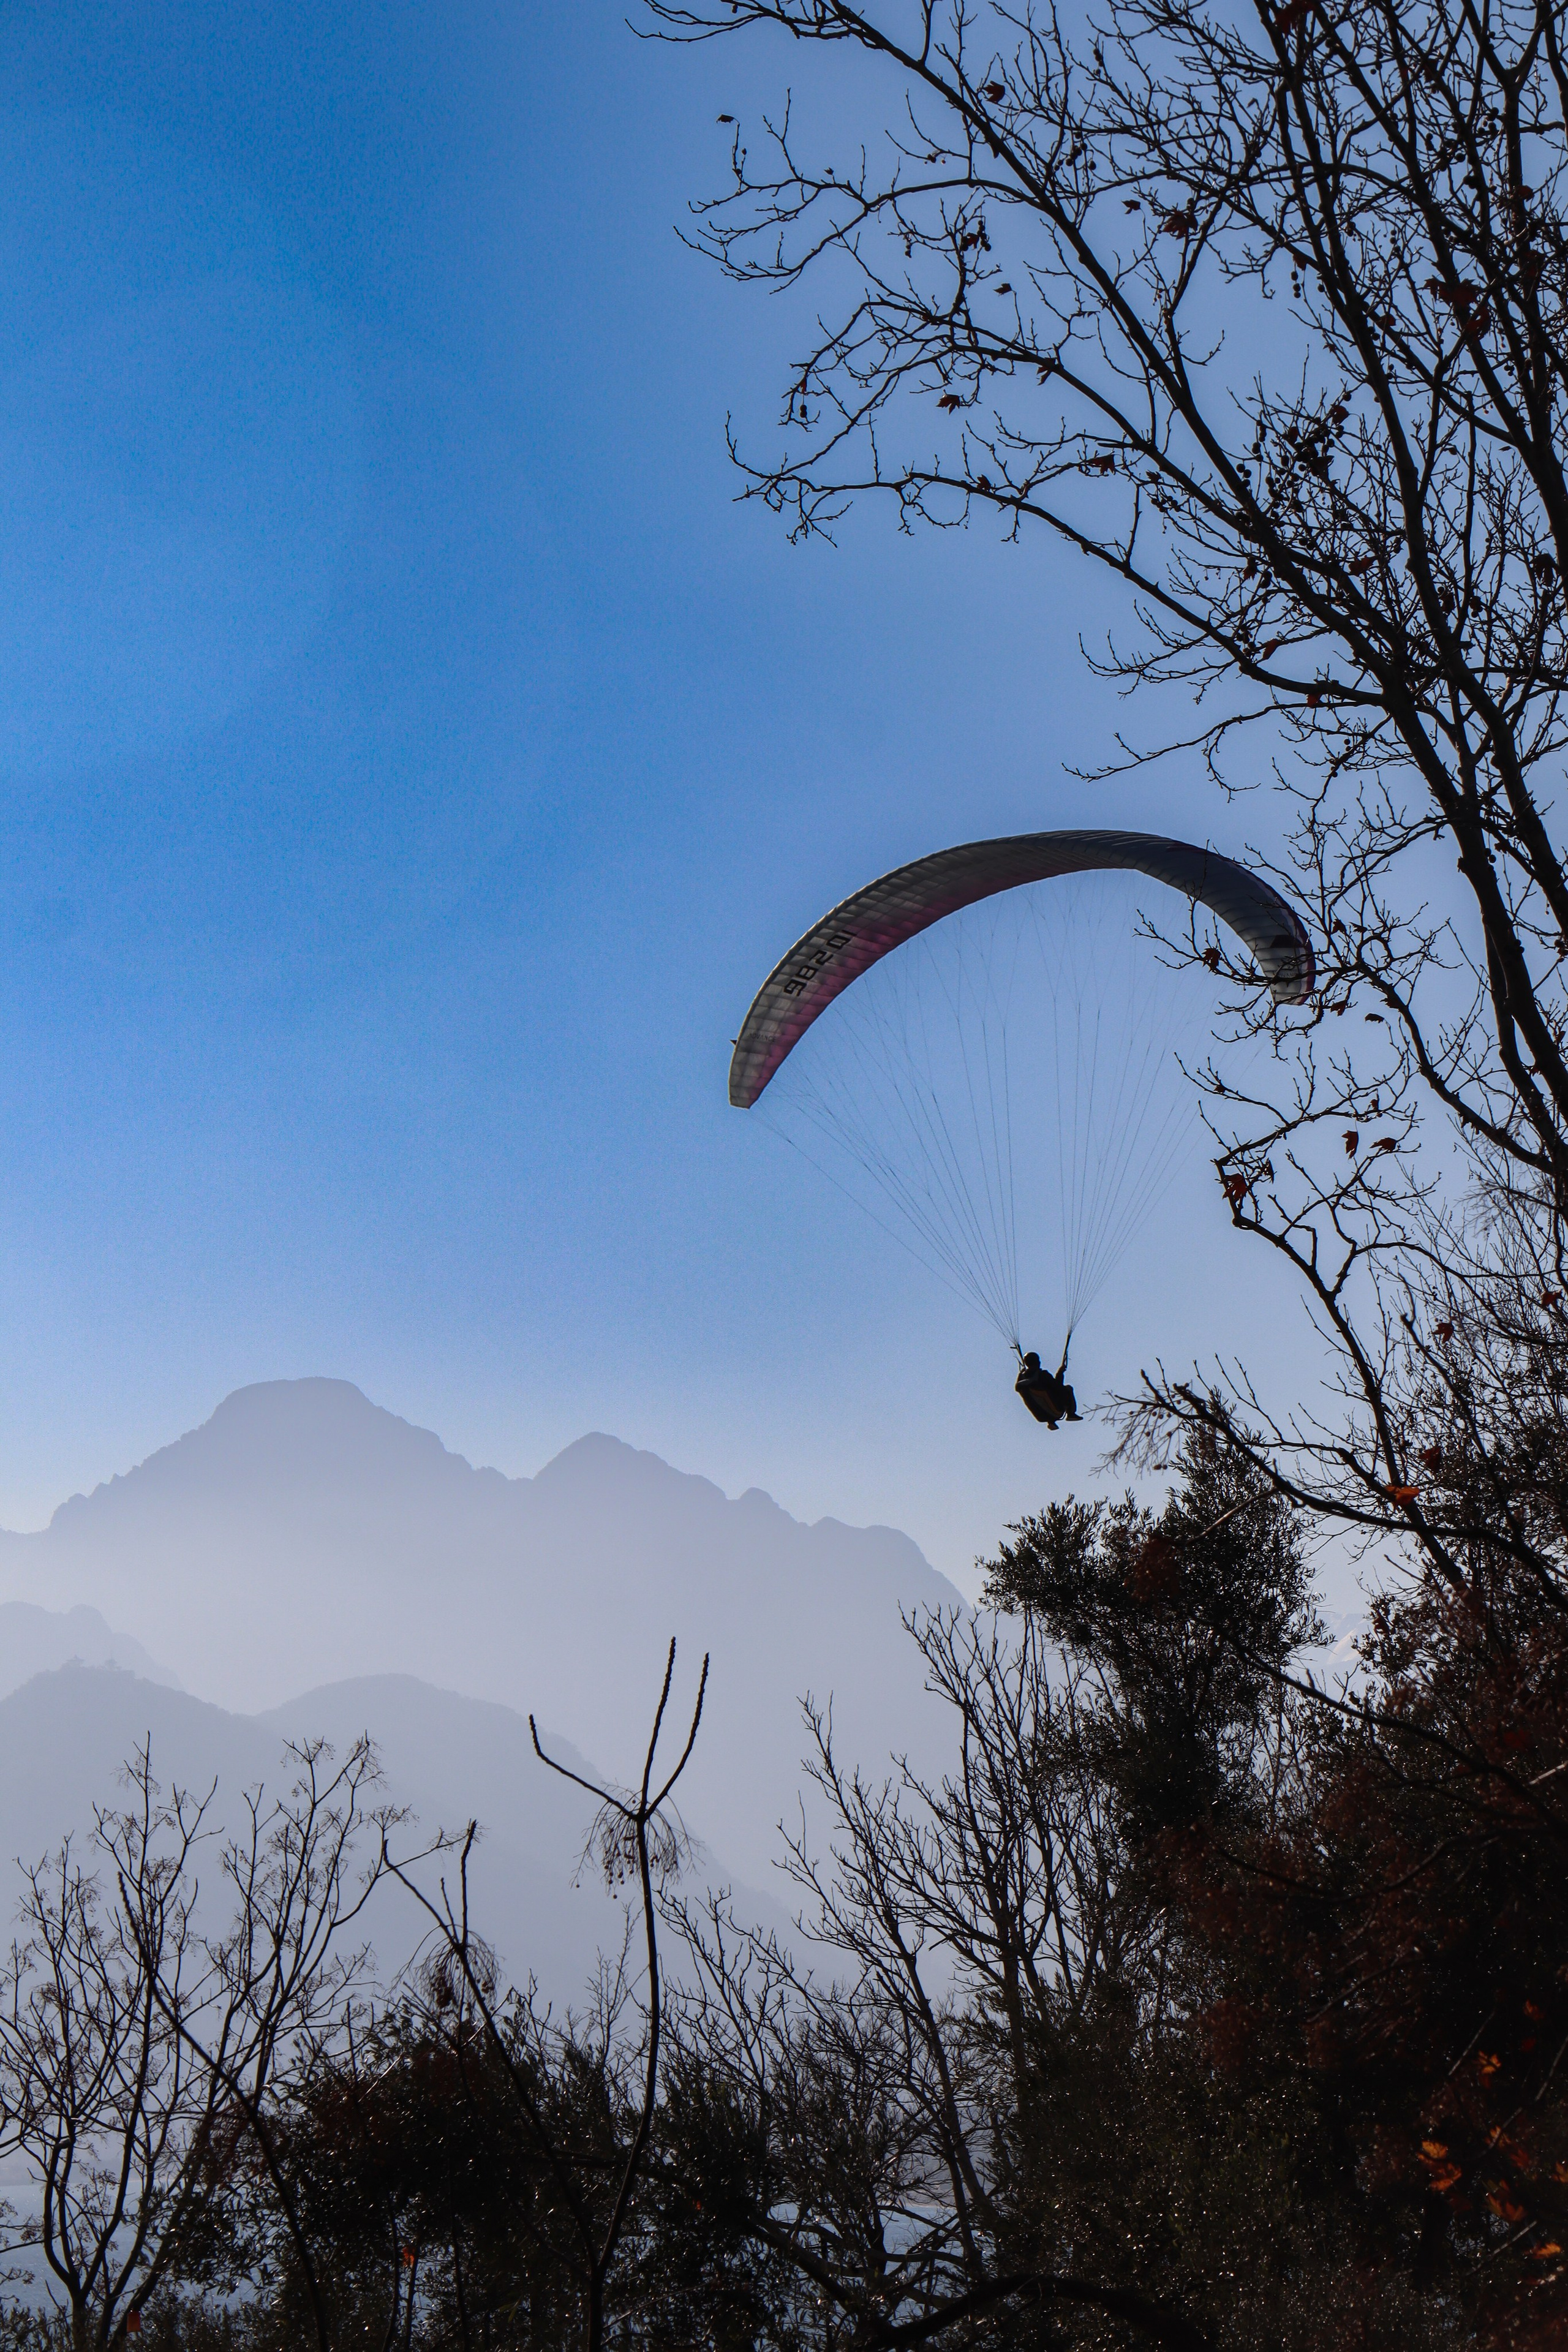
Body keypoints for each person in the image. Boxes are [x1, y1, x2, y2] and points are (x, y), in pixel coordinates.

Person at [1014, 1348, 1083, 1428]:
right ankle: (1071, 1414)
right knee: (1068, 1388)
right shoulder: (1043, 1375)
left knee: (1046, 1393)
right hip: (1055, 1411)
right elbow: (1058, 1388)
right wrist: (1060, 1373)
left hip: (1040, 1414)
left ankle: (1051, 1422)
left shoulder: (1022, 1378)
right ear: (1038, 1362)